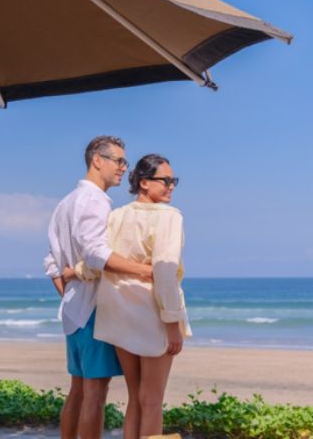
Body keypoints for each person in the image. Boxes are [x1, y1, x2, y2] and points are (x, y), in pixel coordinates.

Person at [64, 153, 191, 439]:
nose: (172, 186)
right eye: (166, 180)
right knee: (153, 401)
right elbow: (165, 274)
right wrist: (172, 323)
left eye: (175, 181)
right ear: (144, 182)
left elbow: (101, 259)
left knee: (136, 398)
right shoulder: (170, 217)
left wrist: (74, 272)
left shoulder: (117, 216)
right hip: (151, 316)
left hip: (119, 316)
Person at [43, 136, 153, 439]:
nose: (123, 169)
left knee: (78, 390)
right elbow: (96, 253)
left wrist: (68, 292)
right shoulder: (93, 201)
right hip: (92, 310)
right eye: (119, 161)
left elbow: (51, 263)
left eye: (124, 162)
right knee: (95, 392)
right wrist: (143, 271)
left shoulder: (65, 202)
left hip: (74, 310)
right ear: (97, 160)